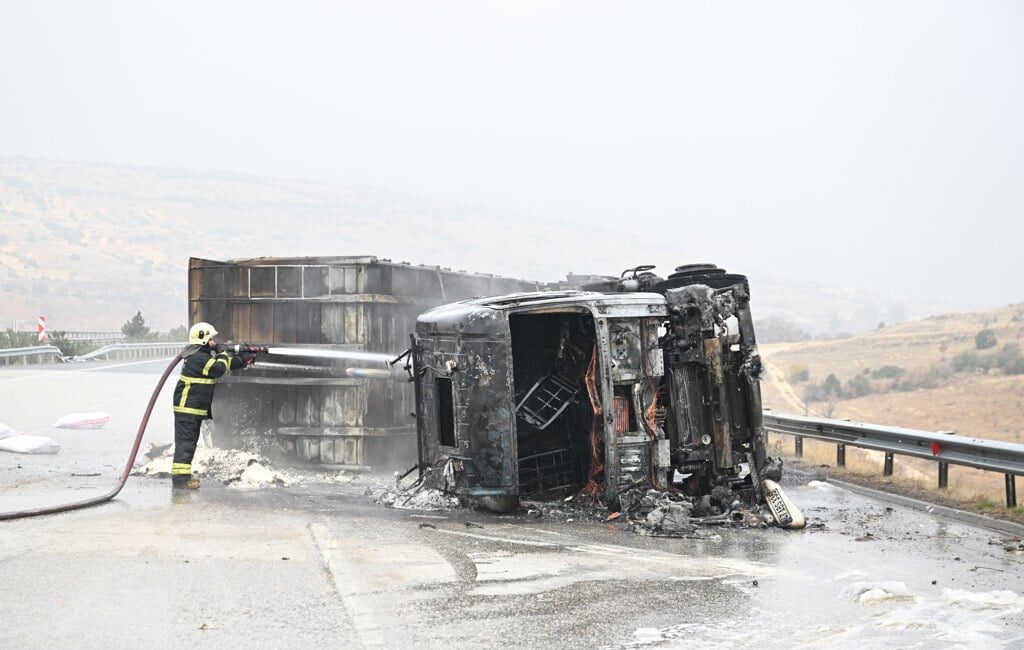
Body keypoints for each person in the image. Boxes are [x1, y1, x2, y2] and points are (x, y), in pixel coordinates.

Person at [170, 322, 255, 489]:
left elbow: (224, 365)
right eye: (212, 339)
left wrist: (242, 360)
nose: (214, 342)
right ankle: (180, 482)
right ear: (203, 339)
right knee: (185, 444)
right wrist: (223, 352)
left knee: (189, 444)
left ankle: (182, 478)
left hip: (192, 408)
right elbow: (218, 369)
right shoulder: (196, 357)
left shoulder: (202, 356)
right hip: (187, 408)